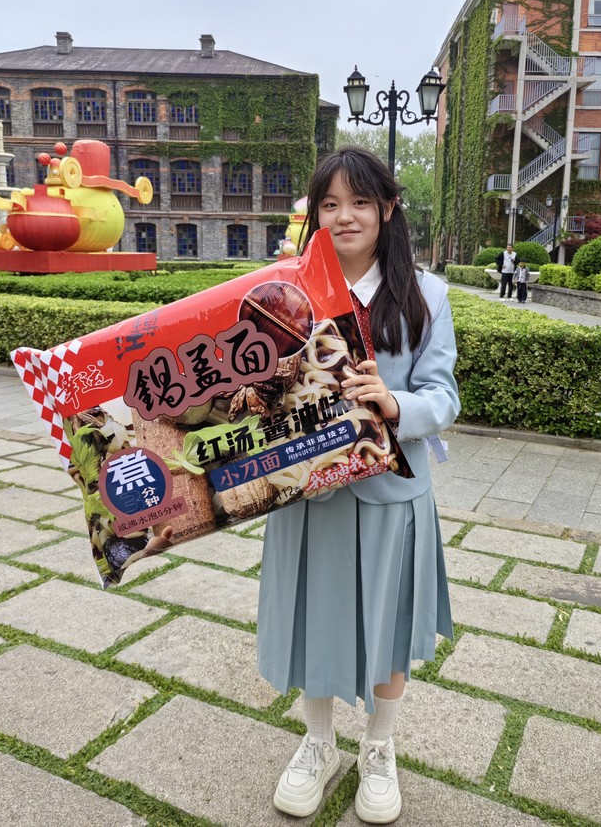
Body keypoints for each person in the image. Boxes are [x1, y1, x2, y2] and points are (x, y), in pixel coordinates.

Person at [257, 146, 460, 824]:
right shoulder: (284, 294)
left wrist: (395, 403)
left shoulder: (426, 295)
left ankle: (379, 747)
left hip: (391, 491)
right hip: (309, 487)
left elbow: (444, 396)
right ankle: (318, 743)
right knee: (313, 613)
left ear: (388, 209)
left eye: (360, 202)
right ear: (314, 213)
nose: (344, 216)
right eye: (330, 203)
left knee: (389, 622)